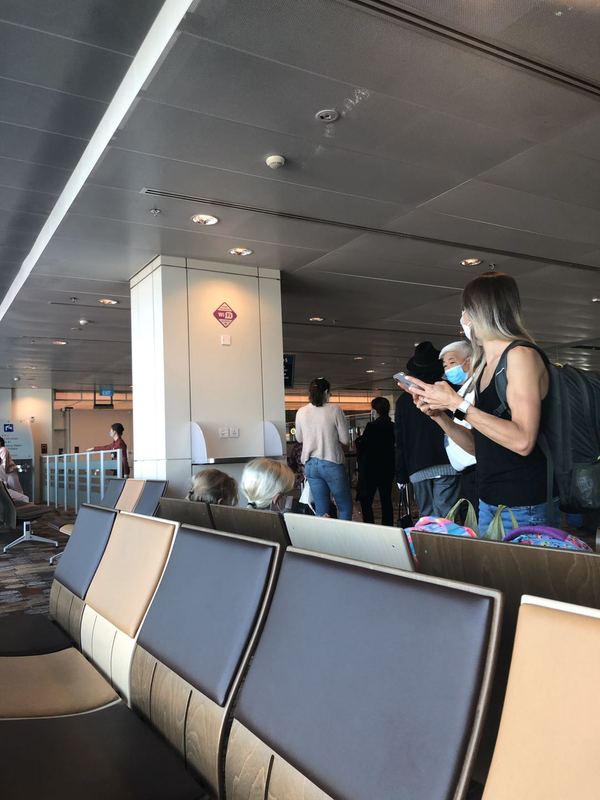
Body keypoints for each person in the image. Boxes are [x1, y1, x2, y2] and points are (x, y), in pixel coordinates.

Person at [409, 271, 556, 532]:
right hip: (489, 500)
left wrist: (458, 404)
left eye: (465, 310)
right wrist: (440, 416)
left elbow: (522, 441)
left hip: (523, 504)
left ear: (480, 311)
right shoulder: (484, 366)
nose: (463, 318)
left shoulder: (520, 356)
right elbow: (478, 447)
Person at [395, 342, 460, 518]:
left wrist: (401, 474)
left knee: (426, 517)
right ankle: (448, 545)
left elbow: (400, 441)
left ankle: (427, 546)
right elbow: (463, 420)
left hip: (417, 466)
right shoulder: (451, 392)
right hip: (449, 462)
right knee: (447, 517)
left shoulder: (403, 401)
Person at [294, 377, 353, 520]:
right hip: (331, 462)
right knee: (344, 506)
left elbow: (299, 439)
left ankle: (323, 541)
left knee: (321, 508)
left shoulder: (301, 412)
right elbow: (345, 439)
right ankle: (345, 541)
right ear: (327, 392)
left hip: (310, 465)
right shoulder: (335, 410)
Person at [439, 341, 478, 516]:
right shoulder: (462, 391)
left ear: (468, 361)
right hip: (466, 473)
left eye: (452, 363)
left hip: (478, 469)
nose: (448, 369)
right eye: (445, 365)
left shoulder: (477, 388)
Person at [356, 396, 395, 526]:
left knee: (366, 499)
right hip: (388, 467)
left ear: (375, 410)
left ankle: (370, 525)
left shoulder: (372, 426)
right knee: (386, 499)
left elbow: (364, 446)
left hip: (371, 469)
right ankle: (388, 526)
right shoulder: (393, 426)